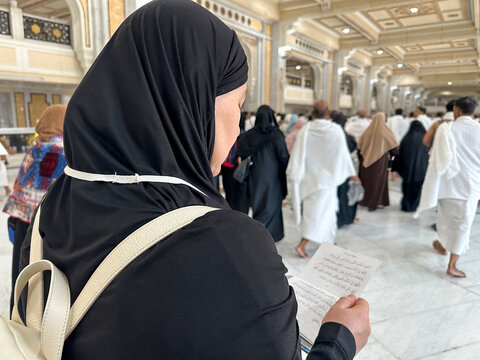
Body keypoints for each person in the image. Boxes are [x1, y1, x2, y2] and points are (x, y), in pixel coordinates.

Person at [17, 3, 371, 359]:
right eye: (238, 103)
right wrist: (338, 341)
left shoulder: (49, 209)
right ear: (192, 104)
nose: (237, 127)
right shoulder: (224, 246)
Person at [4, 104, 67, 312]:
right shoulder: (66, 149)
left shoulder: (36, 147)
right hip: (50, 224)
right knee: (46, 282)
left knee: (22, 273)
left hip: (24, 220)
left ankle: (20, 317)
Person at [416, 97, 480, 278]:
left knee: (443, 219)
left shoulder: (447, 129)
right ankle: (452, 264)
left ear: (456, 111)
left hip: (446, 185)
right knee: (463, 224)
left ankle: (443, 244)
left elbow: (434, 154)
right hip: (470, 186)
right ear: (473, 112)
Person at [288, 101, 356, 258]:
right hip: (328, 178)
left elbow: (298, 156)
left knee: (323, 212)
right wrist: (350, 173)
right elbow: (342, 155)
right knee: (320, 213)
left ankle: (329, 241)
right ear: (328, 113)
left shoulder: (306, 130)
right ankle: (302, 244)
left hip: (310, 179)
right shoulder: (336, 130)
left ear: (312, 113)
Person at [237, 105, 289, 241]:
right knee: (271, 205)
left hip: (254, 175)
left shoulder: (249, 134)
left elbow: (241, 151)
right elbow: (283, 155)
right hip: (272, 176)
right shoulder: (276, 134)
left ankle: (260, 235)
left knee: (258, 204)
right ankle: (267, 237)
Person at [358, 113, 399, 211]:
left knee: (367, 182)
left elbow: (359, 148)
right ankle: (376, 202)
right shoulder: (386, 132)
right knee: (378, 182)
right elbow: (395, 148)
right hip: (380, 162)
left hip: (365, 162)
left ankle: (365, 201)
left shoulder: (367, 132)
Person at [392, 121, 429, 212]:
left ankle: (406, 205)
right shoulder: (425, 139)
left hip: (407, 169)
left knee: (407, 187)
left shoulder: (406, 138)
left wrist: (396, 168)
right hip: (421, 169)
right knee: (418, 187)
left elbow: (399, 154)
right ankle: (415, 205)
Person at [332, 113, 361, 228]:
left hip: (333, 170)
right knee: (344, 194)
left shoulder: (331, 135)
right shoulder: (349, 137)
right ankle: (345, 218)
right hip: (346, 170)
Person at [220, 112, 249, 213]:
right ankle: (234, 212)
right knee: (236, 192)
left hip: (225, 165)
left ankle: (229, 209)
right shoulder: (243, 134)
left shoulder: (228, 131)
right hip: (236, 166)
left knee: (228, 190)